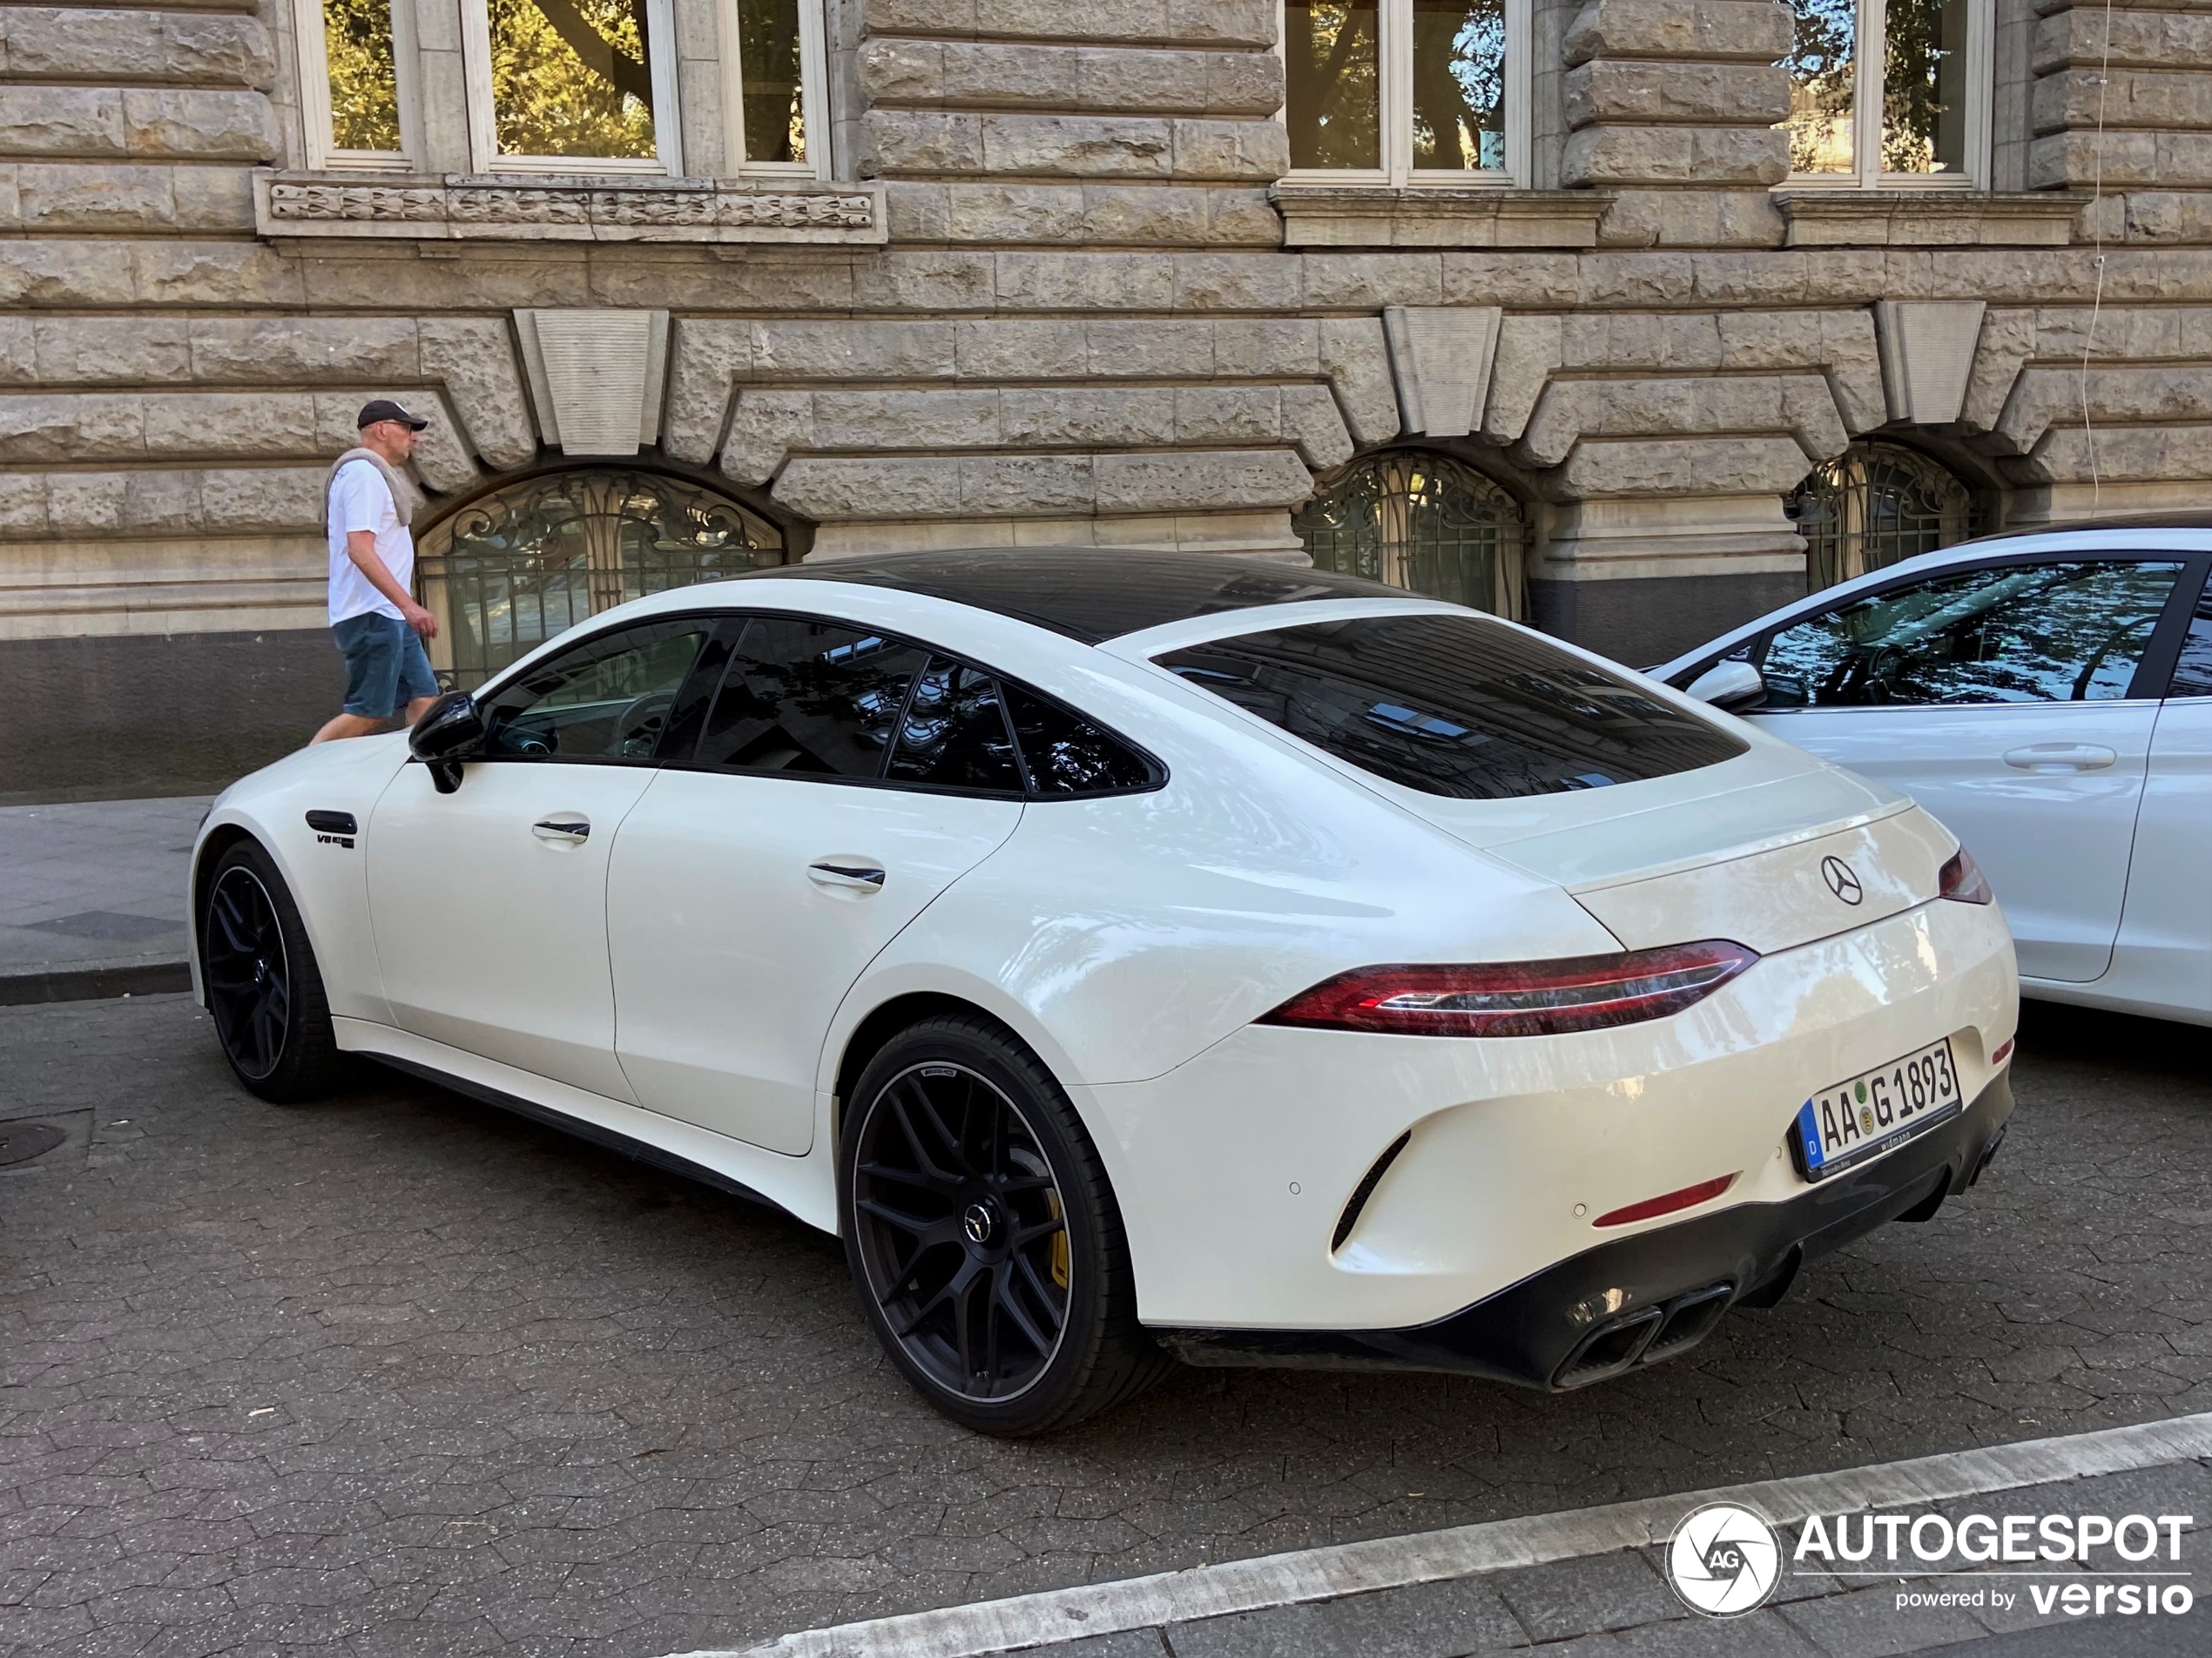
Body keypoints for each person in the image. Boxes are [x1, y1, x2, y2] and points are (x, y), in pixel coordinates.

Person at [313, 400, 443, 744]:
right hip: (373, 614)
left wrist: (402, 609)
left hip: (386, 614)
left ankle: (411, 777)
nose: (415, 439)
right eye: (408, 429)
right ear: (382, 430)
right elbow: (360, 549)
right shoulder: (364, 475)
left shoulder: (370, 474)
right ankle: (297, 779)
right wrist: (409, 606)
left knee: (425, 700)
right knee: (368, 712)